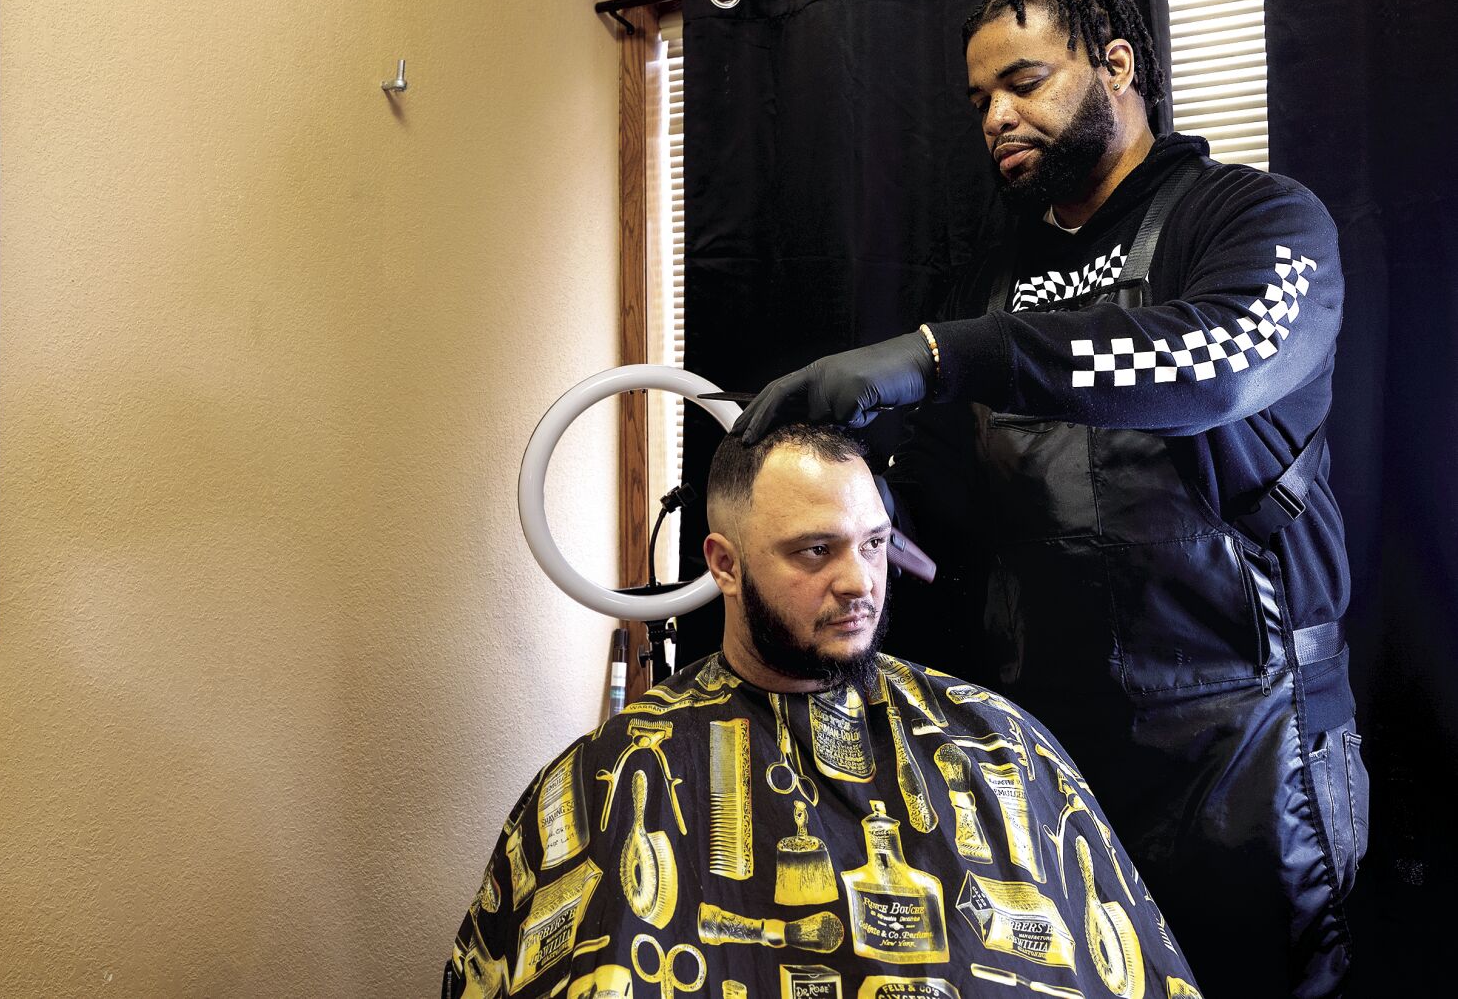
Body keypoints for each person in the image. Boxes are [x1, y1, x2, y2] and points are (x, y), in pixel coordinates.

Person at [734, 0, 1360, 997]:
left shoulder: (1255, 221)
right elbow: (946, 465)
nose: (996, 115)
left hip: (1244, 745)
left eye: (1022, 81)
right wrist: (872, 506)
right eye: (979, 97)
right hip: (1044, 742)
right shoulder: (993, 272)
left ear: (1114, 64)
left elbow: (1210, 362)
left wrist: (940, 353)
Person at [445, 424, 1200, 999]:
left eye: (874, 544)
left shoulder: (993, 740)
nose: (859, 582)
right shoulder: (615, 772)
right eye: (815, 551)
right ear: (725, 564)